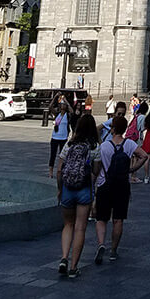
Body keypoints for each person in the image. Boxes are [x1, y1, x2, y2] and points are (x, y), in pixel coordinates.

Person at [93, 114, 147, 264]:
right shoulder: (129, 144)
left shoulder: (103, 146)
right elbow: (144, 156)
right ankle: (113, 251)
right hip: (122, 185)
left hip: (105, 185)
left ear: (113, 129)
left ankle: (101, 244)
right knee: (118, 220)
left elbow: (97, 169)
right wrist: (131, 169)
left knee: (101, 218)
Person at [56, 113, 101, 278]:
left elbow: (60, 169)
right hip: (84, 189)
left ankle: (63, 258)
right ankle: (74, 267)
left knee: (68, 224)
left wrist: (60, 189)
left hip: (68, 187)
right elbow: (96, 171)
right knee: (80, 227)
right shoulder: (95, 146)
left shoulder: (70, 144)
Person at [48, 93, 73, 178]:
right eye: (61, 104)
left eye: (64, 104)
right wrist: (55, 97)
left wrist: (66, 100)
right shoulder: (57, 113)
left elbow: (72, 111)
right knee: (53, 155)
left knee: (62, 155)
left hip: (63, 138)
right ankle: (51, 171)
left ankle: (61, 170)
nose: (62, 106)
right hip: (55, 137)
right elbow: (50, 107)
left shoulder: (67, 115)